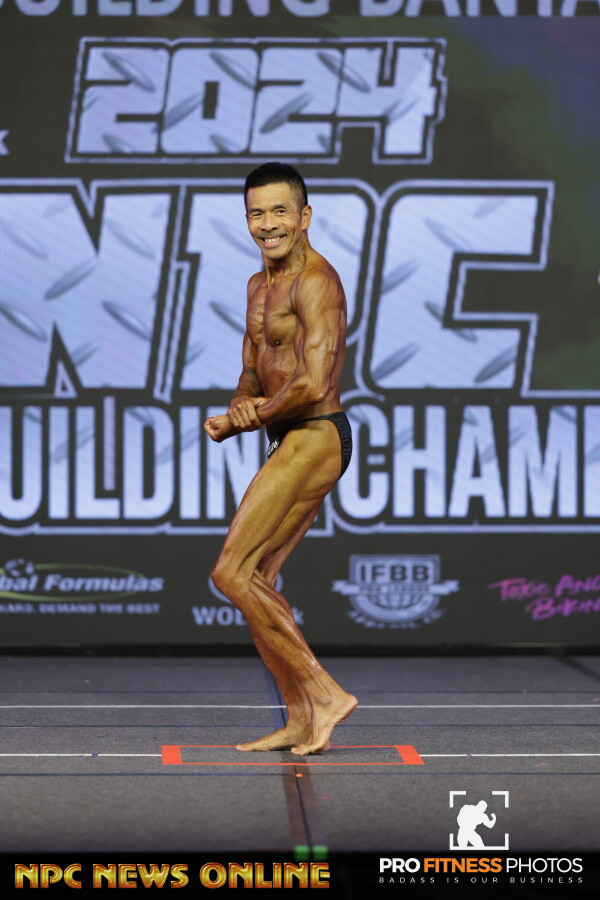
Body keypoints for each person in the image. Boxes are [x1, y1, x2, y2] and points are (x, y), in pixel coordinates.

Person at [203, 162, 357, 756]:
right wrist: (239, 406)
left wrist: (252, 416)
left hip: (315, 434)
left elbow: (314, 382)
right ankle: (300, 717)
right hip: (285, 434)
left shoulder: (316, 282)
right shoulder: (257, 285)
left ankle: (325, 694)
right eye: (256, 213)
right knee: (256, 581)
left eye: (279, 211)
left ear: (305, 216)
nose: (267, 224)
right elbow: (253, 369)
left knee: (230, 572)